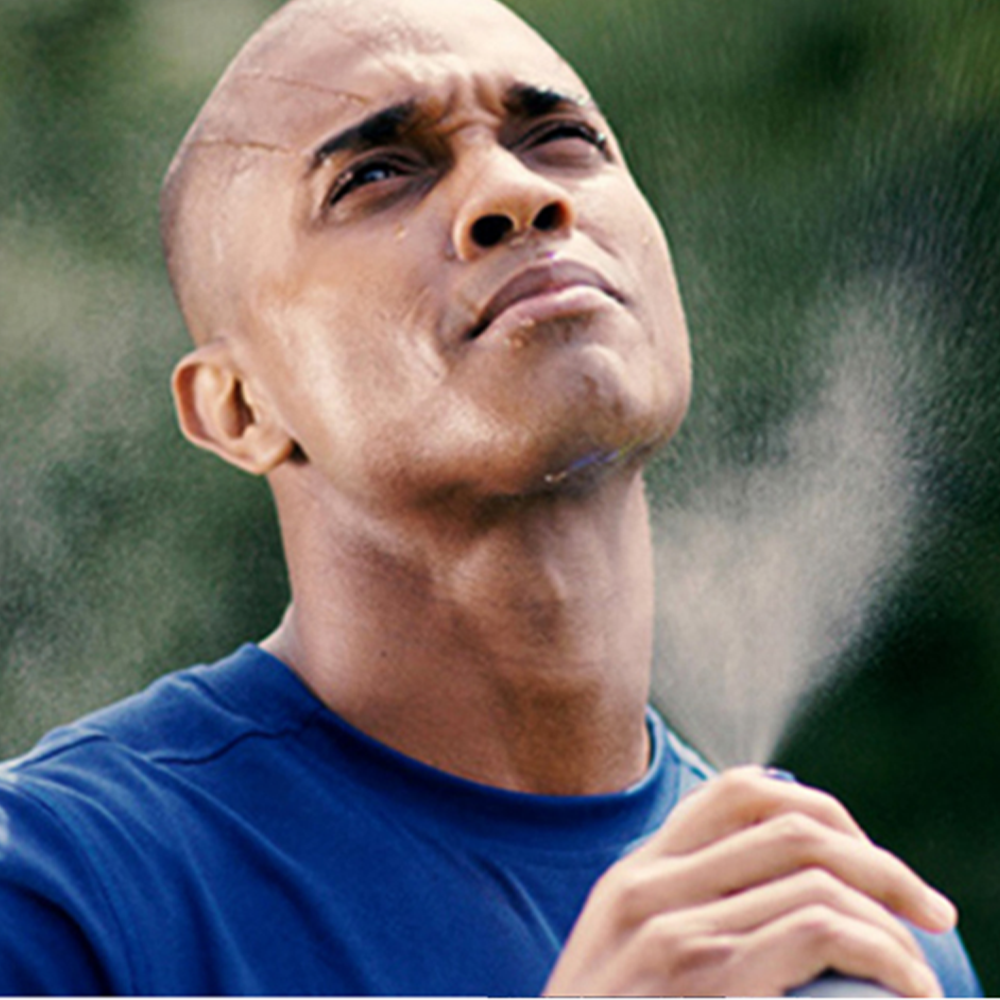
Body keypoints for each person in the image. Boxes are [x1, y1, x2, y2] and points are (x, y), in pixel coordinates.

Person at [0, 0, 981, 994]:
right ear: (240, 406)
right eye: (375, 175)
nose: (515, 190)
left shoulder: (854, 926)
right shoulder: (55, 894)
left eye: (559, 137)